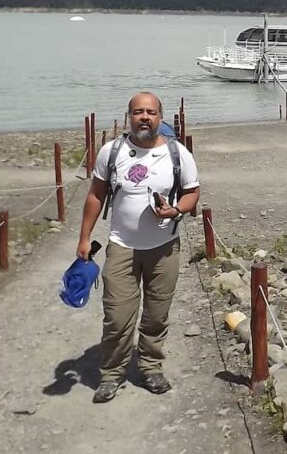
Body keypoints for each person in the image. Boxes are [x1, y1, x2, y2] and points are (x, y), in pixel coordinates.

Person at [77, 92, 200, 403]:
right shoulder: (112, 151)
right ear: (129, 116)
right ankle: (112, 374)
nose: (144, 117)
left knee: (156, 315)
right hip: (121, 246)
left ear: (160, 117)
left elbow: (192, 192)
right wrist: (84, 237)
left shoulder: (177, 153)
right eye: (138, 112)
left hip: (164, 247)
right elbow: (96, 195)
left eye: (151, 112)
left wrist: (176, 210)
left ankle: (151, 367)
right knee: (117, 316)